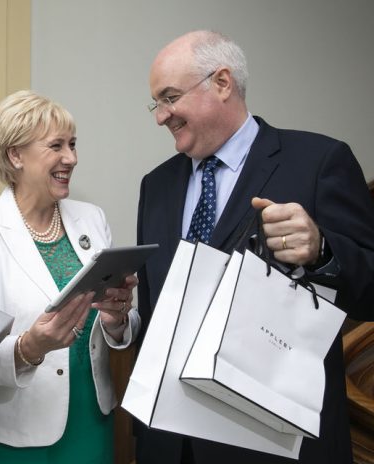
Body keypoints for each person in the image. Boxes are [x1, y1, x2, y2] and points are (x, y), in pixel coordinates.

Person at [135, 30, 374, 464]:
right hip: (170, 446)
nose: (161, 116)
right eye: (157, 103)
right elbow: (155, 314)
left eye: (169, 98)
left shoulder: (319, 162)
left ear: (222, 83)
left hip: (272, 444)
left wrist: (323, 250)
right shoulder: (156, 186)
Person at [0, 90, 140, 463]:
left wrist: (118, 319)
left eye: (73, 144)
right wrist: (29, 348)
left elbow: (118, 329)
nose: (72, 158)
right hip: (14, 432)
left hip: (92, 419)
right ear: (15, 155)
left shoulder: (92, 219)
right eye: (56, 146)